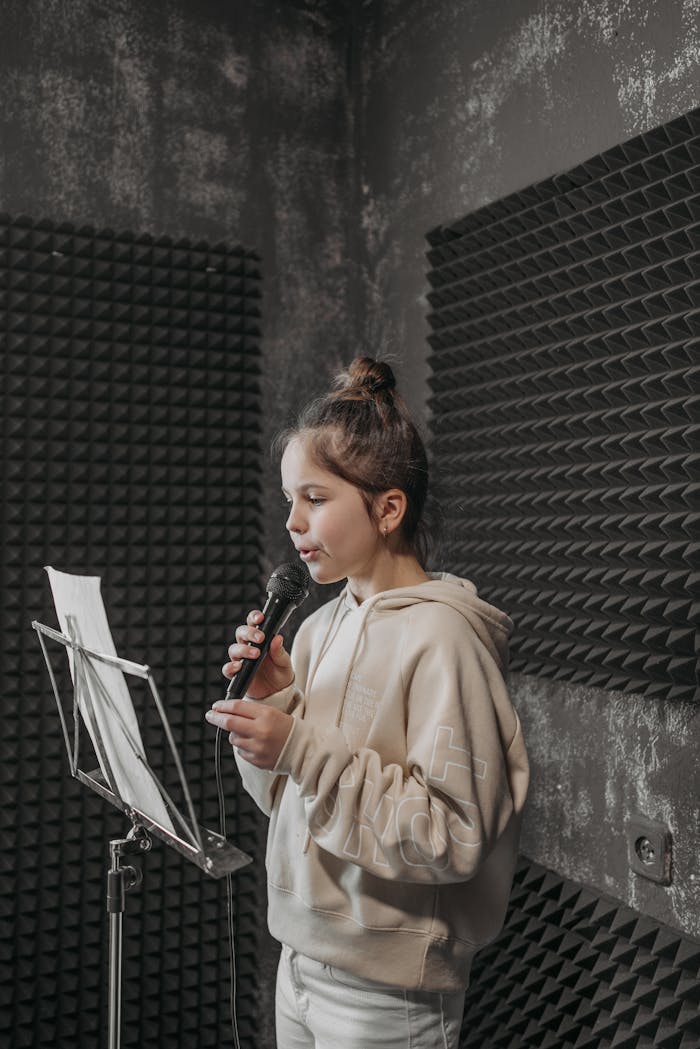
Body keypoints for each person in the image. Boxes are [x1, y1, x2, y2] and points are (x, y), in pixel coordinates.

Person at [205, 357, 529, 1049]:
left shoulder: (444, 639)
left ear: (387, 508)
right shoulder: (319, 625)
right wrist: (279, 701)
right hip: (296, 963)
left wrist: (294, 743)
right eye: (289, 498)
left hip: (387, 998)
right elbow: (283, 802)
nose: (292, 521)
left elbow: (451, 834)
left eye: (315, 498)